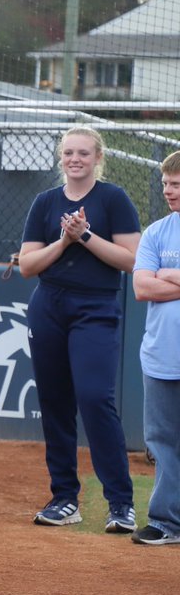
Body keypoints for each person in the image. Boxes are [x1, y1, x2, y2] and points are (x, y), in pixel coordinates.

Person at [19, 126, 140, 531]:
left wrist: (85, 235)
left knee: (94, 399)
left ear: (98, 158)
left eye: (84, 153)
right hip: (49, 305)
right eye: (69, 152)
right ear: (60, 158)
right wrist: (65, 241)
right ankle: (64, 498)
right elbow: (27, 265)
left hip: (96, 308)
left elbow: (130, 260)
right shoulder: (44, 202)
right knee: (55, 403)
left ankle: (120, 503)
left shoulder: (113, 198)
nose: (75, 159)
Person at [130, 150, 180, 546]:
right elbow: (143, 287)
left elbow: (155, 281)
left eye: (176, 184)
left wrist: (172, 274)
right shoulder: (157, 232)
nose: (168, 190)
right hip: (162, 356)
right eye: (165, 183)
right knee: (163, 442)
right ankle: (166, 522)